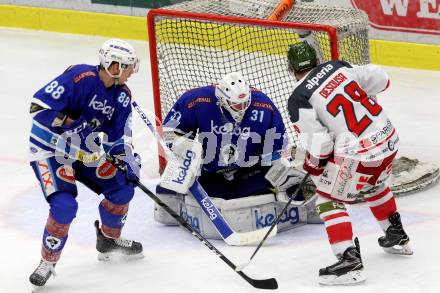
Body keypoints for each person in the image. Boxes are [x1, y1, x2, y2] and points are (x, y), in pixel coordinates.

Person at [286, 41, 413, 285]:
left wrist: (312, 166)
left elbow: (320, 147)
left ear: (290, 70)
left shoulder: (298, 98)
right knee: (374, 182)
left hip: (362, 154)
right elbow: (382, 79)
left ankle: (348, 261)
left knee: (327, 196)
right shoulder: (338, 66)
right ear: (315, 59)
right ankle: (396, 235)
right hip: (388, 139)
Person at [28, 39, 143, 288]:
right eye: (128, 67)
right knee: (64, 206)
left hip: (85, 152)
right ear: (114, 67)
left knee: (123, 187)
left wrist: (126, 162)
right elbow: (38, 107)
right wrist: (71, 124)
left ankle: (108, 241)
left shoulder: (122, 96)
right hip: (51, 150)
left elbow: (118, 139)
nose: (132, 72)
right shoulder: (80, 77)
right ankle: (47, 262)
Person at [155, 72, 308, 237]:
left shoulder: (263, 105)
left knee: (263, 193)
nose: (241, 108)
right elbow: (169, 132)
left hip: (248, 171)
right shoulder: (198, 99)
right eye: (236, 104)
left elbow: (275, 151)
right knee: (173, 191)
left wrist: (279, 173)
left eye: (244, 103)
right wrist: (186, 147)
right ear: (222, 100)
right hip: (211, 172)